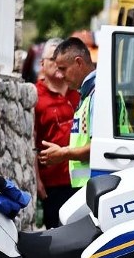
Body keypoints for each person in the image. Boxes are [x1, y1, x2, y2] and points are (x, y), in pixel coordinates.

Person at [33, 38, 80, 227]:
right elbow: (31, 141)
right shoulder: (35, 95)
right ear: (42, 63)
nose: (58, 64)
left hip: (79, 180)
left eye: (61, 58)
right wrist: (36, 180)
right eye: (53, 58)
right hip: (52, 183)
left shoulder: (79, 94)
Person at [39, 36, 96, 188]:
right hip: (87, 186)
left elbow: (100, 147)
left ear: (78, 62)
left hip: (96, 184)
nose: (61, 75)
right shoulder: (88, 93)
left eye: (63, 69)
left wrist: (64, 154)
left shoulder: (98, 94)